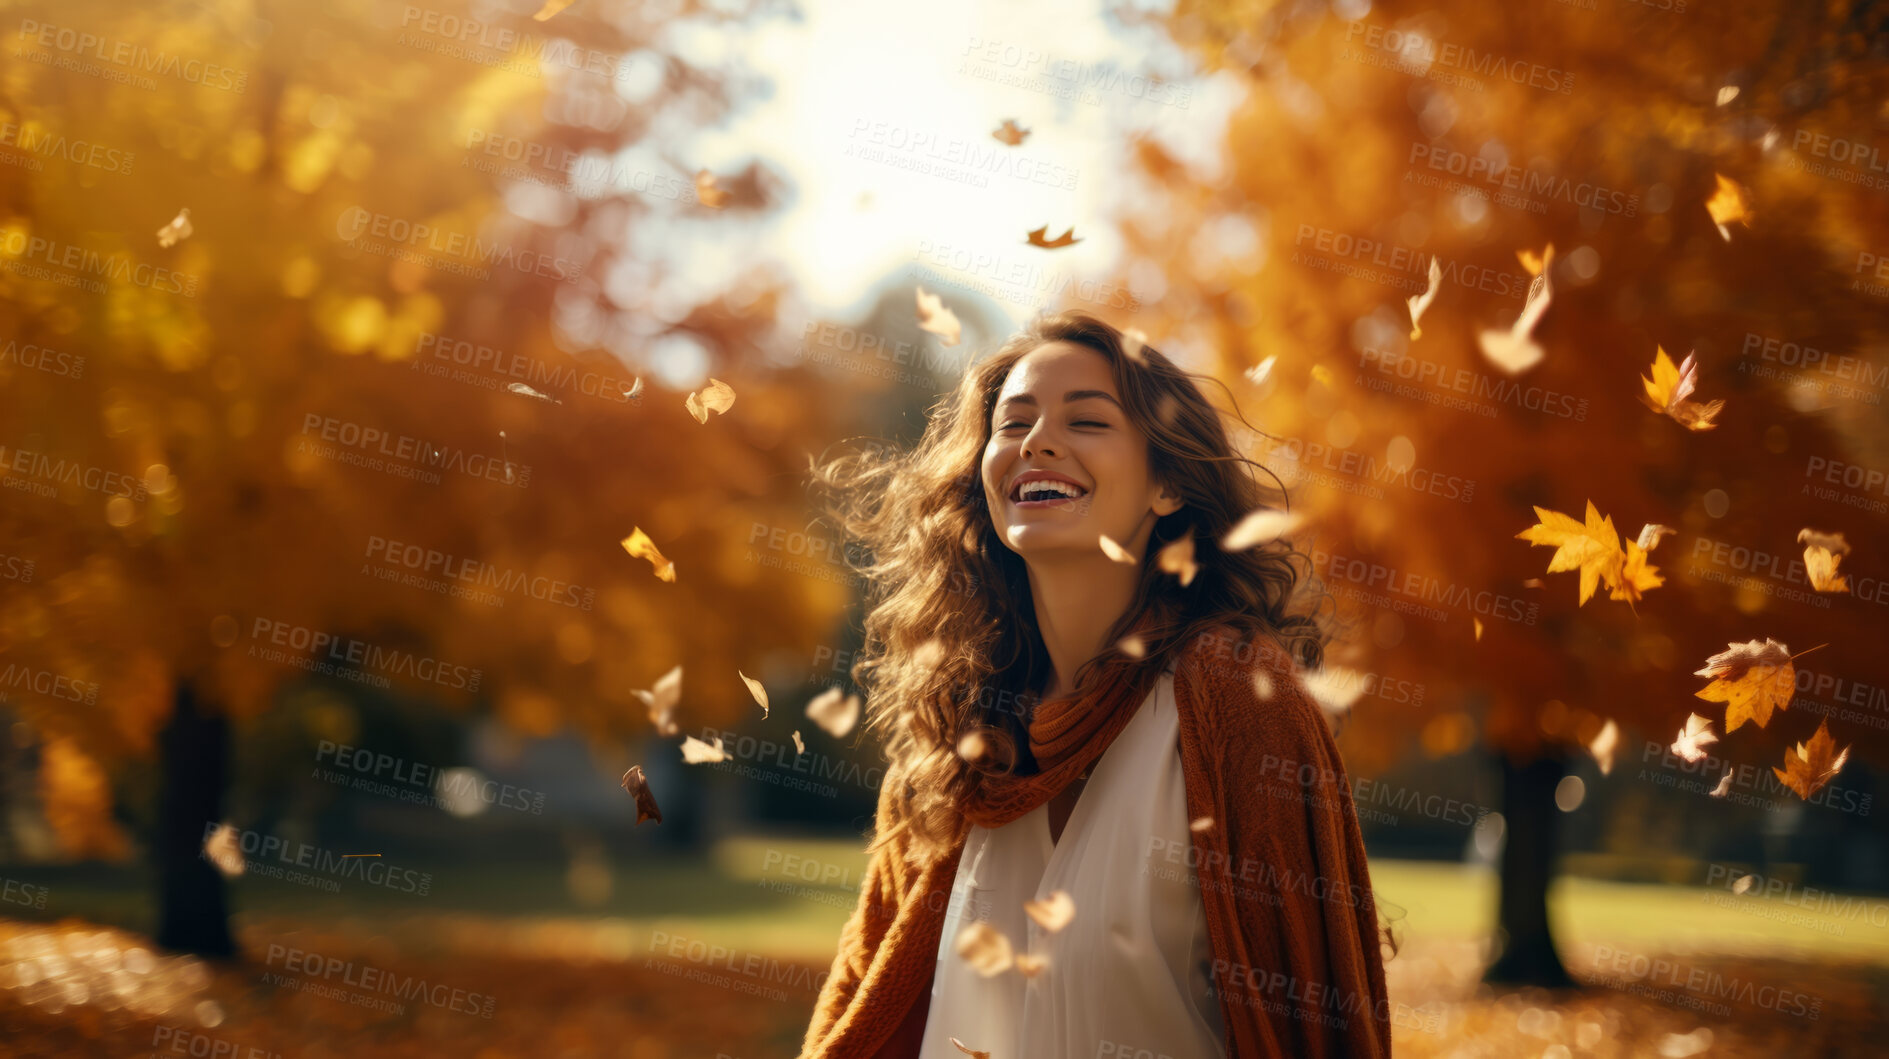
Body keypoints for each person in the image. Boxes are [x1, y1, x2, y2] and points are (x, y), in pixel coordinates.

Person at [800, 310, 1391, 1058]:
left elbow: (1316, 1017)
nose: (1036, 441)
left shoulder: (1236, 697)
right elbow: (865, 996)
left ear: (1168, 485)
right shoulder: (954, 730)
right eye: (1012, 423)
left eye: (1086, 421)